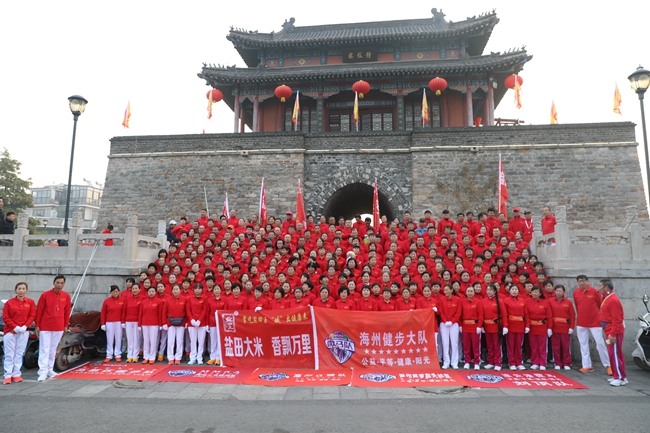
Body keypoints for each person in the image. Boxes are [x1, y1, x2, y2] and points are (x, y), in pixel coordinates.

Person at [35, 275, 71, 382]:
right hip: (45, 326)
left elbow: (67, 312)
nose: (59, 285)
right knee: (44, 349)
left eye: (62, 283)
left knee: (53, 349)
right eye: (57, 283)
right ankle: (42, 371)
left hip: (59, 326)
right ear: (53, 283)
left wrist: (65, 325)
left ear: (64, 284)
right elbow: (39, 310)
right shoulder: (45, 295)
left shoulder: (66, 296)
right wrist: (37, 325)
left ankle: (50, 369)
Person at [573, 275, 611, 374]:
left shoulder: (594, 292)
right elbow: (577, 306)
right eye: (579, 281)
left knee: (600, 343)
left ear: (588, 281)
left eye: (583, 281)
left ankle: (608, 365)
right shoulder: (576, 292)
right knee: (583, 344)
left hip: (595, 322)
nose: (582, 283)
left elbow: (600, 305)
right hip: (581, 322)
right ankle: (587, 365)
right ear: (577, 283)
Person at [3, 282, 36, 384]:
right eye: (19, 288)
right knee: (9, 353)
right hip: (10, 332)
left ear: (26, 290)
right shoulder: (9, 303)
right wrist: (15, 327)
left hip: (23, 332)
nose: (21, 291)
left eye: (23, 289)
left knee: (19, 353)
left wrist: (25, 326)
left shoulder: (30, 302)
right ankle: (7, 375)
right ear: (15, 290)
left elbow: (32, 315)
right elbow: (5, 317)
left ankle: (16, 374)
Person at [598, 279, 627, 386]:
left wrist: (613, 334)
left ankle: (619, 377)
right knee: (615, 354)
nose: (599, 288)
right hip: (609, 329)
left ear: (606, 287)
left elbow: (616, 319)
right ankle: (619, 375)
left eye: (600, 286)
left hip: (613, 330)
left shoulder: (612, 300)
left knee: (614, 354)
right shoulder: (607, 298)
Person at [525, 286, 552, 370]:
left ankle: (543, 363)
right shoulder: (527, 301)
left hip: (542, 327)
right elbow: (526, 314)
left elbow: (549, 316)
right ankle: (535, 362)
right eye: (533, 292)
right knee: (533, 346)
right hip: (532, 327)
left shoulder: (545, 302)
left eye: (536, 292)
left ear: (540, 293)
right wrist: (527, 326)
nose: (534, 293)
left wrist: (549, 328)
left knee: (542, 346)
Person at [548, 284, 575, 370]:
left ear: (564, 292)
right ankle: (557, 363)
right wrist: (549, 328)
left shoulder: (568, 302)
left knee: (566, 346)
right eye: (557, 291)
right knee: (556, 347)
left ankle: (567, 362)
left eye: (560, 291)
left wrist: (571, 327)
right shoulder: (551, 301)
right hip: (555, 328)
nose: (558, 292)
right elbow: (549, 315)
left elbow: (572, 315)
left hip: (565, 328)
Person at [503, 285, 528, 370]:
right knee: (510, 345)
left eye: (516, 289)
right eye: (512, 289)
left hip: (520, 325)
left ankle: (519, 362)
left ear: (518, 291)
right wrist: (505, 326)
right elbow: (504, 314)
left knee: (519, 345)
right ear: (509, 291)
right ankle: (511, 362)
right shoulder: (506, 300)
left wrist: (527, 325)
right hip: (510, 325)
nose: (514, 291)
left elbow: (526, 314)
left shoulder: (522, 300)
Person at [481, 284, 506, 371]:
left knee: (497, 345)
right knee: (490, 345)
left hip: (496, 326)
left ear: (495, 291)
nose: (489, 291)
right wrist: (481, 326)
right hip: (487, 326)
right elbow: (481, 314)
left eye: (491, 290)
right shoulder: (483, 301)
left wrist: (505, 326)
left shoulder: (499, 301)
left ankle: (497, 362)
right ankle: (491, 361)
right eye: (488, 290)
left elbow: (504, 314)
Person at [460, 286, 483, 370]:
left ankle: (476, 362)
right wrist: (460, 325)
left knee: (475, 346)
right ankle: (467, 361)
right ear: (466, 293)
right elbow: (460, 314)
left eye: (471, 291)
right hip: (465, 326)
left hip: (474, 326)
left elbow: (481, 315)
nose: (470, 293)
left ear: (474, 292)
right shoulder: (462, 302)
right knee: (466, 345)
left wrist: (479, 326)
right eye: (468, 291)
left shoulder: (478, 302)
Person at [163, 284, 187, 365]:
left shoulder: (184, 299)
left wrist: (185, 322)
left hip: (181, 322)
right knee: (170, 341)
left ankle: (178, 357)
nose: (175, 291)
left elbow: (186, 311)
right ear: (171, 291)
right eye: (174, 289)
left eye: (177, 289)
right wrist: (164, 323)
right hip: (170, 323)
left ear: (180, 290)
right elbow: (164, 312)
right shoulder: (168, 300)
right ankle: (170, 357)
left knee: (179, 341)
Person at [439, 285, 461, 369]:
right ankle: (446, 362)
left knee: (454, 343)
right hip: (444, 324)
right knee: (445, 343)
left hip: (454, 324)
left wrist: (452, 321)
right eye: (444, 290)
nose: (446, 292)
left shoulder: (457, 299)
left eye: (447, 290)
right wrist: (445, 321)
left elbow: (458, 312)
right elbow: (440, 311)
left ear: (451, 290)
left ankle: (454, 362)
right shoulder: (441, 299)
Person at [100, 285, 124, 362]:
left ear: (119, 292)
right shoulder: (106, 301)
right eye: (113, 292)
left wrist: (123, 322)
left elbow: (124, 312)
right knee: (109, 339)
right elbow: (103, 312)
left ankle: (118, 354)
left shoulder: (123, 300)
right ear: (111, 292)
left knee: (118, 338)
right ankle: (109, 355)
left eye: (116, 291)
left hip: (119, 322)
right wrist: (103, 323)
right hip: (109, 322)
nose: (115, 293)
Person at [138, 286, 162, 364]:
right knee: (146, 341)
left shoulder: (159, 301)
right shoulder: (144, 302)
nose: (151, 293)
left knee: (153, 341)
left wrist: (160, 324)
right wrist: (139, 324)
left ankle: (152, 357)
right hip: (145, 323)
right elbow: (140, 313)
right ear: (147, 292)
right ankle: (146, 356)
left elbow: (160, 314)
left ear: (155, 292)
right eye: (149, 291)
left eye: (152, 291)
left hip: (154, 324)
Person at [122, 283, 144, 362]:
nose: (134, 290)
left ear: (139, 290)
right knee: (130, 339)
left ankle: (135, 355)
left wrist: (140, 322)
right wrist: (123, 321)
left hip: (137, 321)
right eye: (133, 288)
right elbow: (124, 311)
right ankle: (129, 355)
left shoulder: (142, 298)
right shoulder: (127, 299)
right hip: (128, 321)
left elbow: (143, 311)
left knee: (137, 339)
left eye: (136, 288)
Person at [187, 283, 208, 365]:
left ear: (202, 290)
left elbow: (205, 310)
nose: (197, 290)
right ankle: (192, 357)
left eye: (199, 288)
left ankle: (199, 357)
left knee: (201, 341)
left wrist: (199, 320)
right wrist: (191, 319)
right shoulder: (190, 298)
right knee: (192, 341)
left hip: (201, 323)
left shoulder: (205, 298)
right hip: (192, 323)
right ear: (193, 290)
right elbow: (188, 309)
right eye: (196, 288)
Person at [207, 284, 226, 365]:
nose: (217, 291)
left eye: (218, 289)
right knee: (213, 341)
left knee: (219, 341)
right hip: (212, 322)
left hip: (221, 323)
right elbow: (207, 312)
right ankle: (212, 357)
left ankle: (218, 357)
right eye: (215, 289)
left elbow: (225, 311)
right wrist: (207, 324)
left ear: (220, 290)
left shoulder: (224, 300)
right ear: (213, 291)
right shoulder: (210, 300)